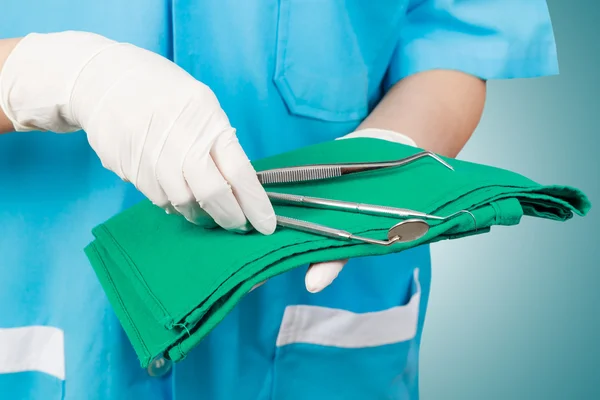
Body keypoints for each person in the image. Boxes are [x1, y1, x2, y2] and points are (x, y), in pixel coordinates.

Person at [0, 1, 559, 399]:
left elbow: (452, 31)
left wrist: (387, 156)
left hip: (321, 330)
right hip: (38, 313)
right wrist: (45, 76)